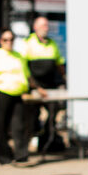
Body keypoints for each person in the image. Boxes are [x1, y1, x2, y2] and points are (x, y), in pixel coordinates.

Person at [0, 28, 30, 164]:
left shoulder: (19, 56)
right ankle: (3, 155)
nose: (9, 42)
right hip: (2, 92)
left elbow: (27, 75)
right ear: (0, 41)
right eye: (6, 39)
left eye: (11, 39)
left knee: (18, 125)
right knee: (1, 125)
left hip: (18, 93)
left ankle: (21, 154)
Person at [23, 16, 63, 151]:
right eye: (43, 26)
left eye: (47, 25)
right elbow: (24, 68)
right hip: (34, 87)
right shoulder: (28, 43)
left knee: (53, 112)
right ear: (35, 28)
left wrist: (63, 80)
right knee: (30, 117)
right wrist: (36, 87)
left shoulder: (52, 44)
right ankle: (28, 144)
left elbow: (59, 64)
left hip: (50, 87)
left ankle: (46, 140)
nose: (45, 28)